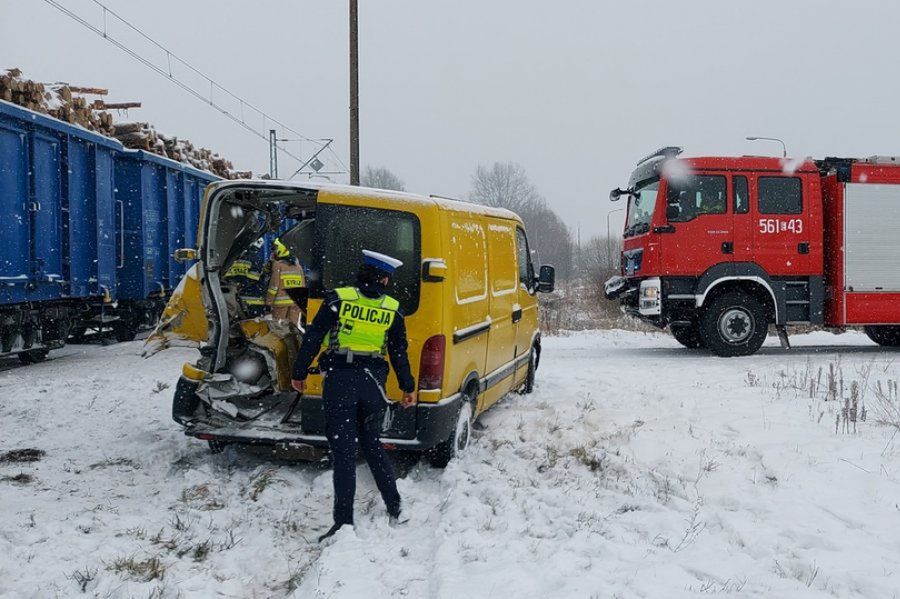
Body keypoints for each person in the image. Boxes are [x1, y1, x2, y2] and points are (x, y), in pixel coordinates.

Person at [290, 250, 417, 542]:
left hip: (340, 381)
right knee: (373, 445)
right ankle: (395, 506)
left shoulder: (338, 299)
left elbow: (313, 336)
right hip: (373, 384)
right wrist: (408, 387)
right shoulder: (392, 308)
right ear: (383, 278)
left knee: (344, 453)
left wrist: (299, 372)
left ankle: (343, 522)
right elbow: (398, 352)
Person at [266, 238, 307, 326]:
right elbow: (303, 286)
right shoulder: (298, 266)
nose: (274, 252)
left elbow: (274, 286)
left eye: (275, 249)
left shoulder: (277, 265)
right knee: (292, 328)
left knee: (278, 328)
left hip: (280, 304)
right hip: (295, 303)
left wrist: (268, 301)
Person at [223, 238, 267, 318]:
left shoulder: (234, 258)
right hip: (254, 298)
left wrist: (236, 285)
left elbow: (227, 276)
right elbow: (254, 277)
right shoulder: (255, 258)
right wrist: (241, 285)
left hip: (238, 299)